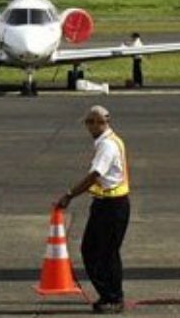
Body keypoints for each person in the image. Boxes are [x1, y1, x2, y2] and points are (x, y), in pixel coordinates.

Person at [56, 105, 130, 314]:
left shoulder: (107, 146)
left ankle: (113, 297)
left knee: (103, 253)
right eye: (87, 122)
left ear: (101, 123)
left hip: (112, 206)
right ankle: (109, 295)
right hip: (106, 204)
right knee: (97, 251)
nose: (88, 127)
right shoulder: (109, 141)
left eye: (91, 122)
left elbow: (94, 176)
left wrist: (69, 195)